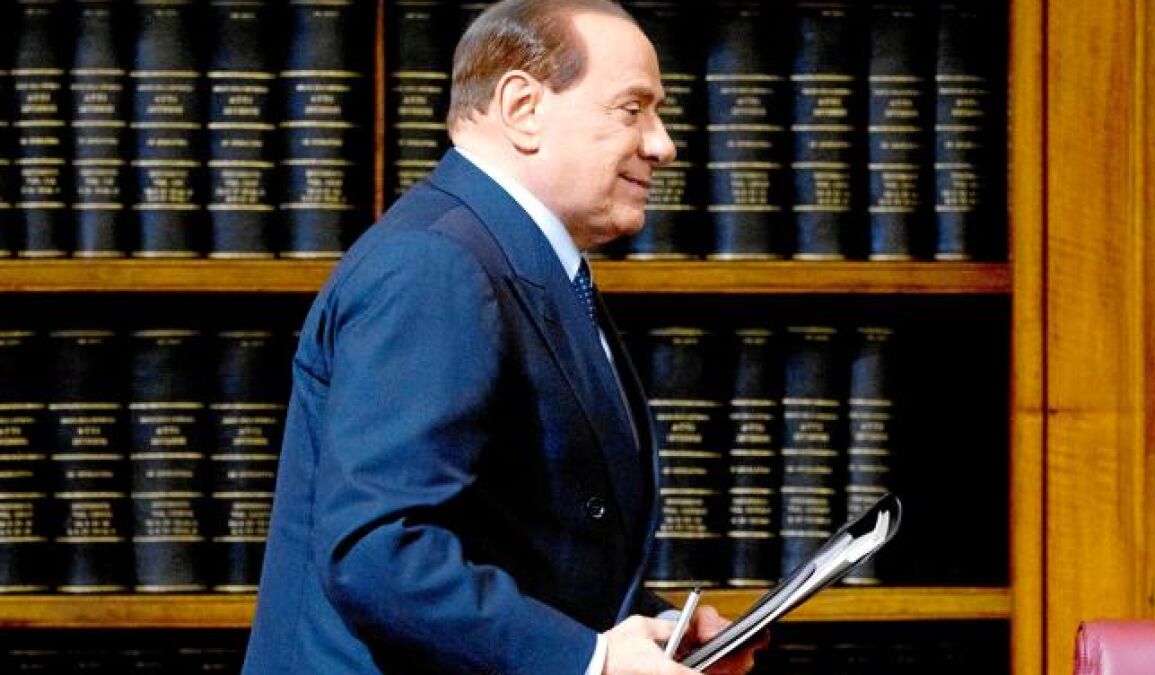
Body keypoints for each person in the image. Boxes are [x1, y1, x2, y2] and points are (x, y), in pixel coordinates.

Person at [243, 1, 764, 672]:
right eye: (632, 109)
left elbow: (527, 542)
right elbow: (379, 554)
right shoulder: (436, 264)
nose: (662, 145)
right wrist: (592, 660)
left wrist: (655, 630)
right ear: (522, 108)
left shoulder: (513, 257)